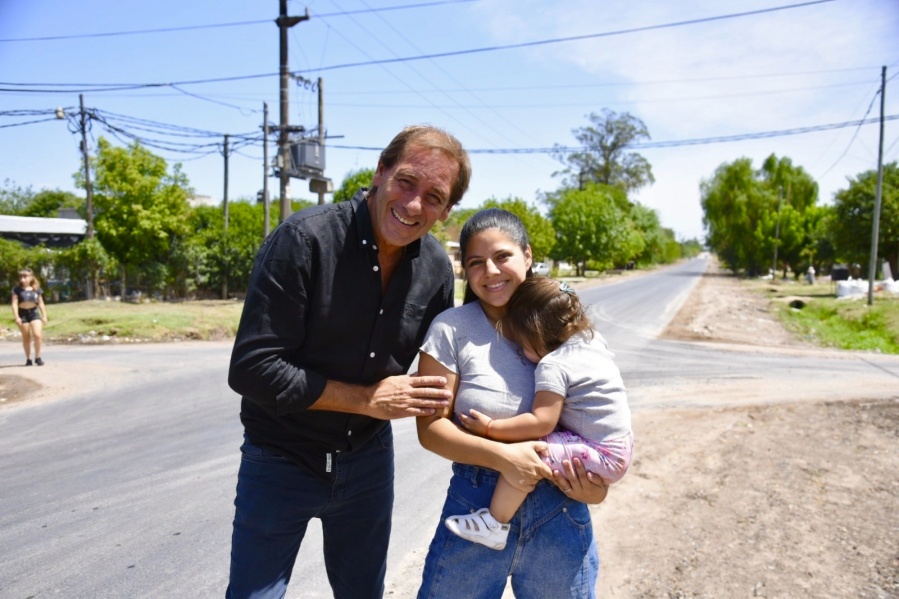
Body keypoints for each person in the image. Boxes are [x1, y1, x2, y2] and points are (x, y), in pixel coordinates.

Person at [226, 124, 471, 599]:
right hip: (280, 458)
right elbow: (252, 367)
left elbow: (448, 372)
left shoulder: (437, 269)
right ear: (379, 172)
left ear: (446, 210)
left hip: (367, 466)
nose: (414, 204)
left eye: (434, 196)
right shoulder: (304, 240)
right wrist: (366, 400)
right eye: (406, 181)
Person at [416, 209, 609, 599]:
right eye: (475, 262)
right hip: (475, 509)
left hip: (561, 509)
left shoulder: (564, 325)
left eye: (502, 256)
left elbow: (603, 418)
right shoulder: (450, 329)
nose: (490, 271)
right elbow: (431, 432)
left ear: (527, 255)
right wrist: (506, 459)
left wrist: (598, 489)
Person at [444, 276, 632, 551]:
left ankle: (495, 523)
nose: (521, 350)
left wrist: (490, 428)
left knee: (531, 453)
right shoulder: (591, 340)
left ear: (539, 336)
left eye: (523, 344)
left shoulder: (554, 365)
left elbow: (541, 421)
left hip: (602, 453)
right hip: (619, 444)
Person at [11, 268, 48, 366]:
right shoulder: (17, 290)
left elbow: (40, 303)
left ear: (31, 277)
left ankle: (38, 357)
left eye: (25, 276)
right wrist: (16, 317)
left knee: (37, 335)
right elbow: (14, 304)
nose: (23, 279)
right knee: (26, 337)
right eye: (21, 276)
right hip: (22, 313)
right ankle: (28, 359)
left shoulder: (36, 289)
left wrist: (44, 315)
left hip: (34, 312)